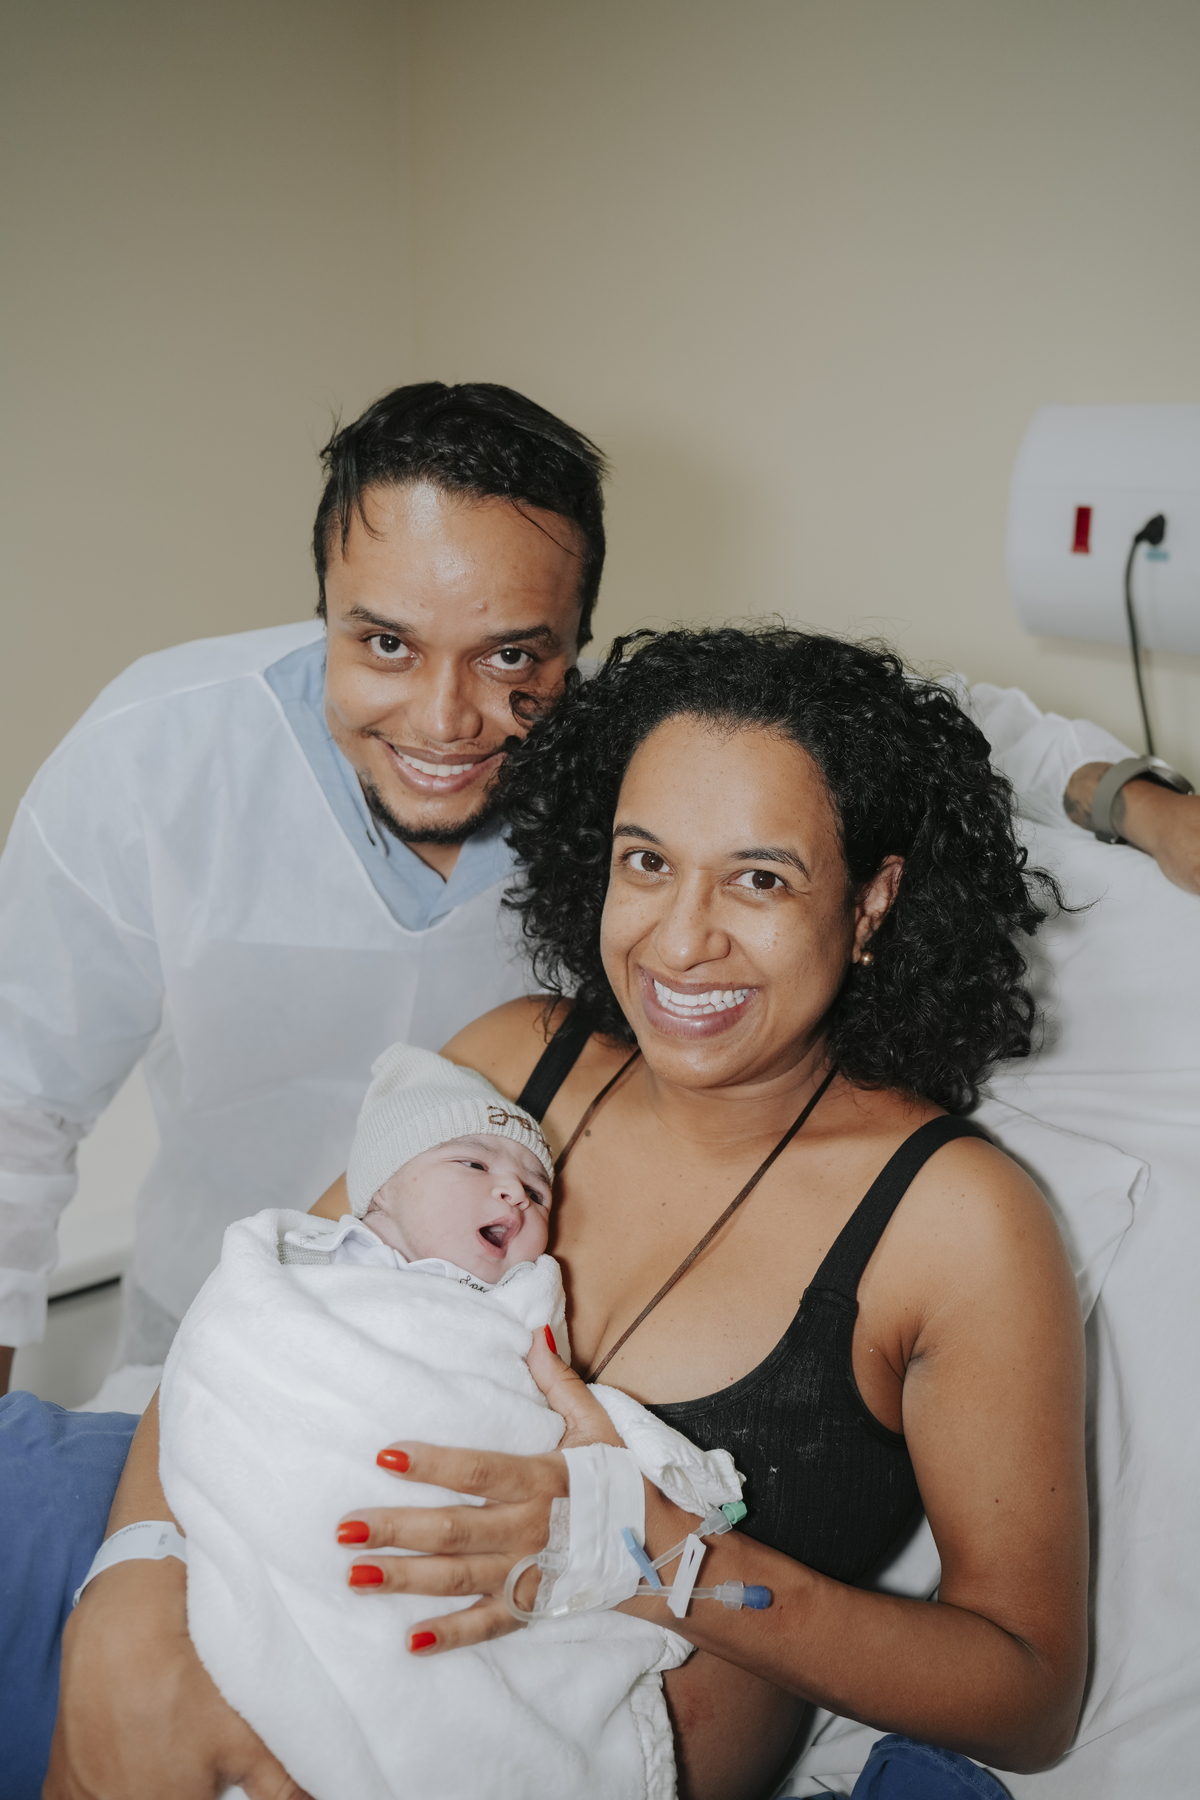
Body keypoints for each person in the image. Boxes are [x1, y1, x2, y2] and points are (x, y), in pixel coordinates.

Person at [50, 628, 1091, 1800]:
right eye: (647, 862)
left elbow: (1028, 1694)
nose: (680, 940)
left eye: (760, 879)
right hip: (266, 1655)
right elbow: (260, 1319)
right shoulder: (514, 1065)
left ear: (871, 901)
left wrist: (661, 1553)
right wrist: (131, 1587)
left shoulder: (952, 1225)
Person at [0, 380, 607, 1398]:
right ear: (324, 610)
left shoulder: (644, 803)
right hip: (201, 1336)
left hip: (508, 1372)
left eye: (510, 656)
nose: (444, 721)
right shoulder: (151, 757)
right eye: (387, 644)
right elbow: (16, 1106)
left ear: (577, 641)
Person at [153, 1044, 743, 1800]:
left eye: (537, 1191)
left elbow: (557, 1411)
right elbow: (225, 1355)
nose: (516, 1193)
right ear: (382, 1192)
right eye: (473, 1164)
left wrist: (653, 1472)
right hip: (309, 1485)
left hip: (458, 1538)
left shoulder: (517, 1303)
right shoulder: (305, 1265)